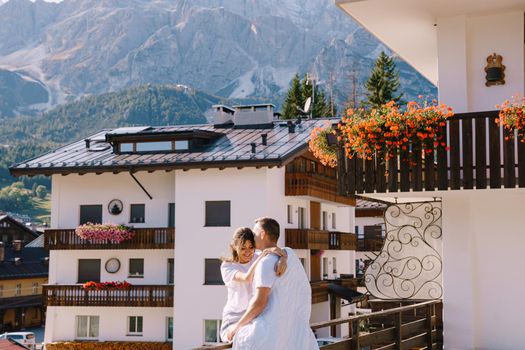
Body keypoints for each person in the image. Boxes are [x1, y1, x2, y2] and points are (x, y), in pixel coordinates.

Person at [228, 217, 319, 350]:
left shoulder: (265, 263)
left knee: (243, 337)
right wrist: (283, 257)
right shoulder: (289, 254)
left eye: (254, 234)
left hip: (273, 333)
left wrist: (237, 327)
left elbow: (260, 302)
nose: (252, 238)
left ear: (262, 234)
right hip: (295, 332)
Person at [220, 227, 287, 342]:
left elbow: (280, 250)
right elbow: (247, 278)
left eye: (251, 247)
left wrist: (283, 258)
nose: (248, 252)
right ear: (235, 247)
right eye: (243, 248)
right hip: (234, 317)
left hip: (253, 314)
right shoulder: (228, 266)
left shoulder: (256, 257)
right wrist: (262, 255)